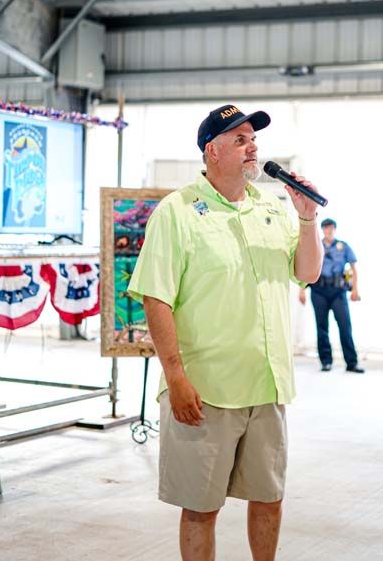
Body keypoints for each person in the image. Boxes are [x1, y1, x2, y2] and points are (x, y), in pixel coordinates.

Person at [128, 104, 323, 561]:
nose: (253, 146)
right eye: (240, 139)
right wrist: (175, 377)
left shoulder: (271, 208)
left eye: (254, 139)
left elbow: (307, 273)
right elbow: (156, 297)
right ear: (212, 152)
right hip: (206, 391)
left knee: (269, 498)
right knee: (201, 507)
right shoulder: (177, 212)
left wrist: (308, 218)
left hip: (267, 385)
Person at [299, 218, 364, 374]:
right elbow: (305, 265)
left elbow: (353, 268)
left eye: (331, 228)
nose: (329, 230)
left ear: (334, 229)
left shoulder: (343, 247)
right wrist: (301, 290)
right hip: (319, 290)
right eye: (326, 228)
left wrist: (355, 289)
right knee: (322, 327)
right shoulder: (316, 245)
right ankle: (326, 361)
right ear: (322, 230)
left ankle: (351, 362)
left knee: (345, 326)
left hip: (338, 291)